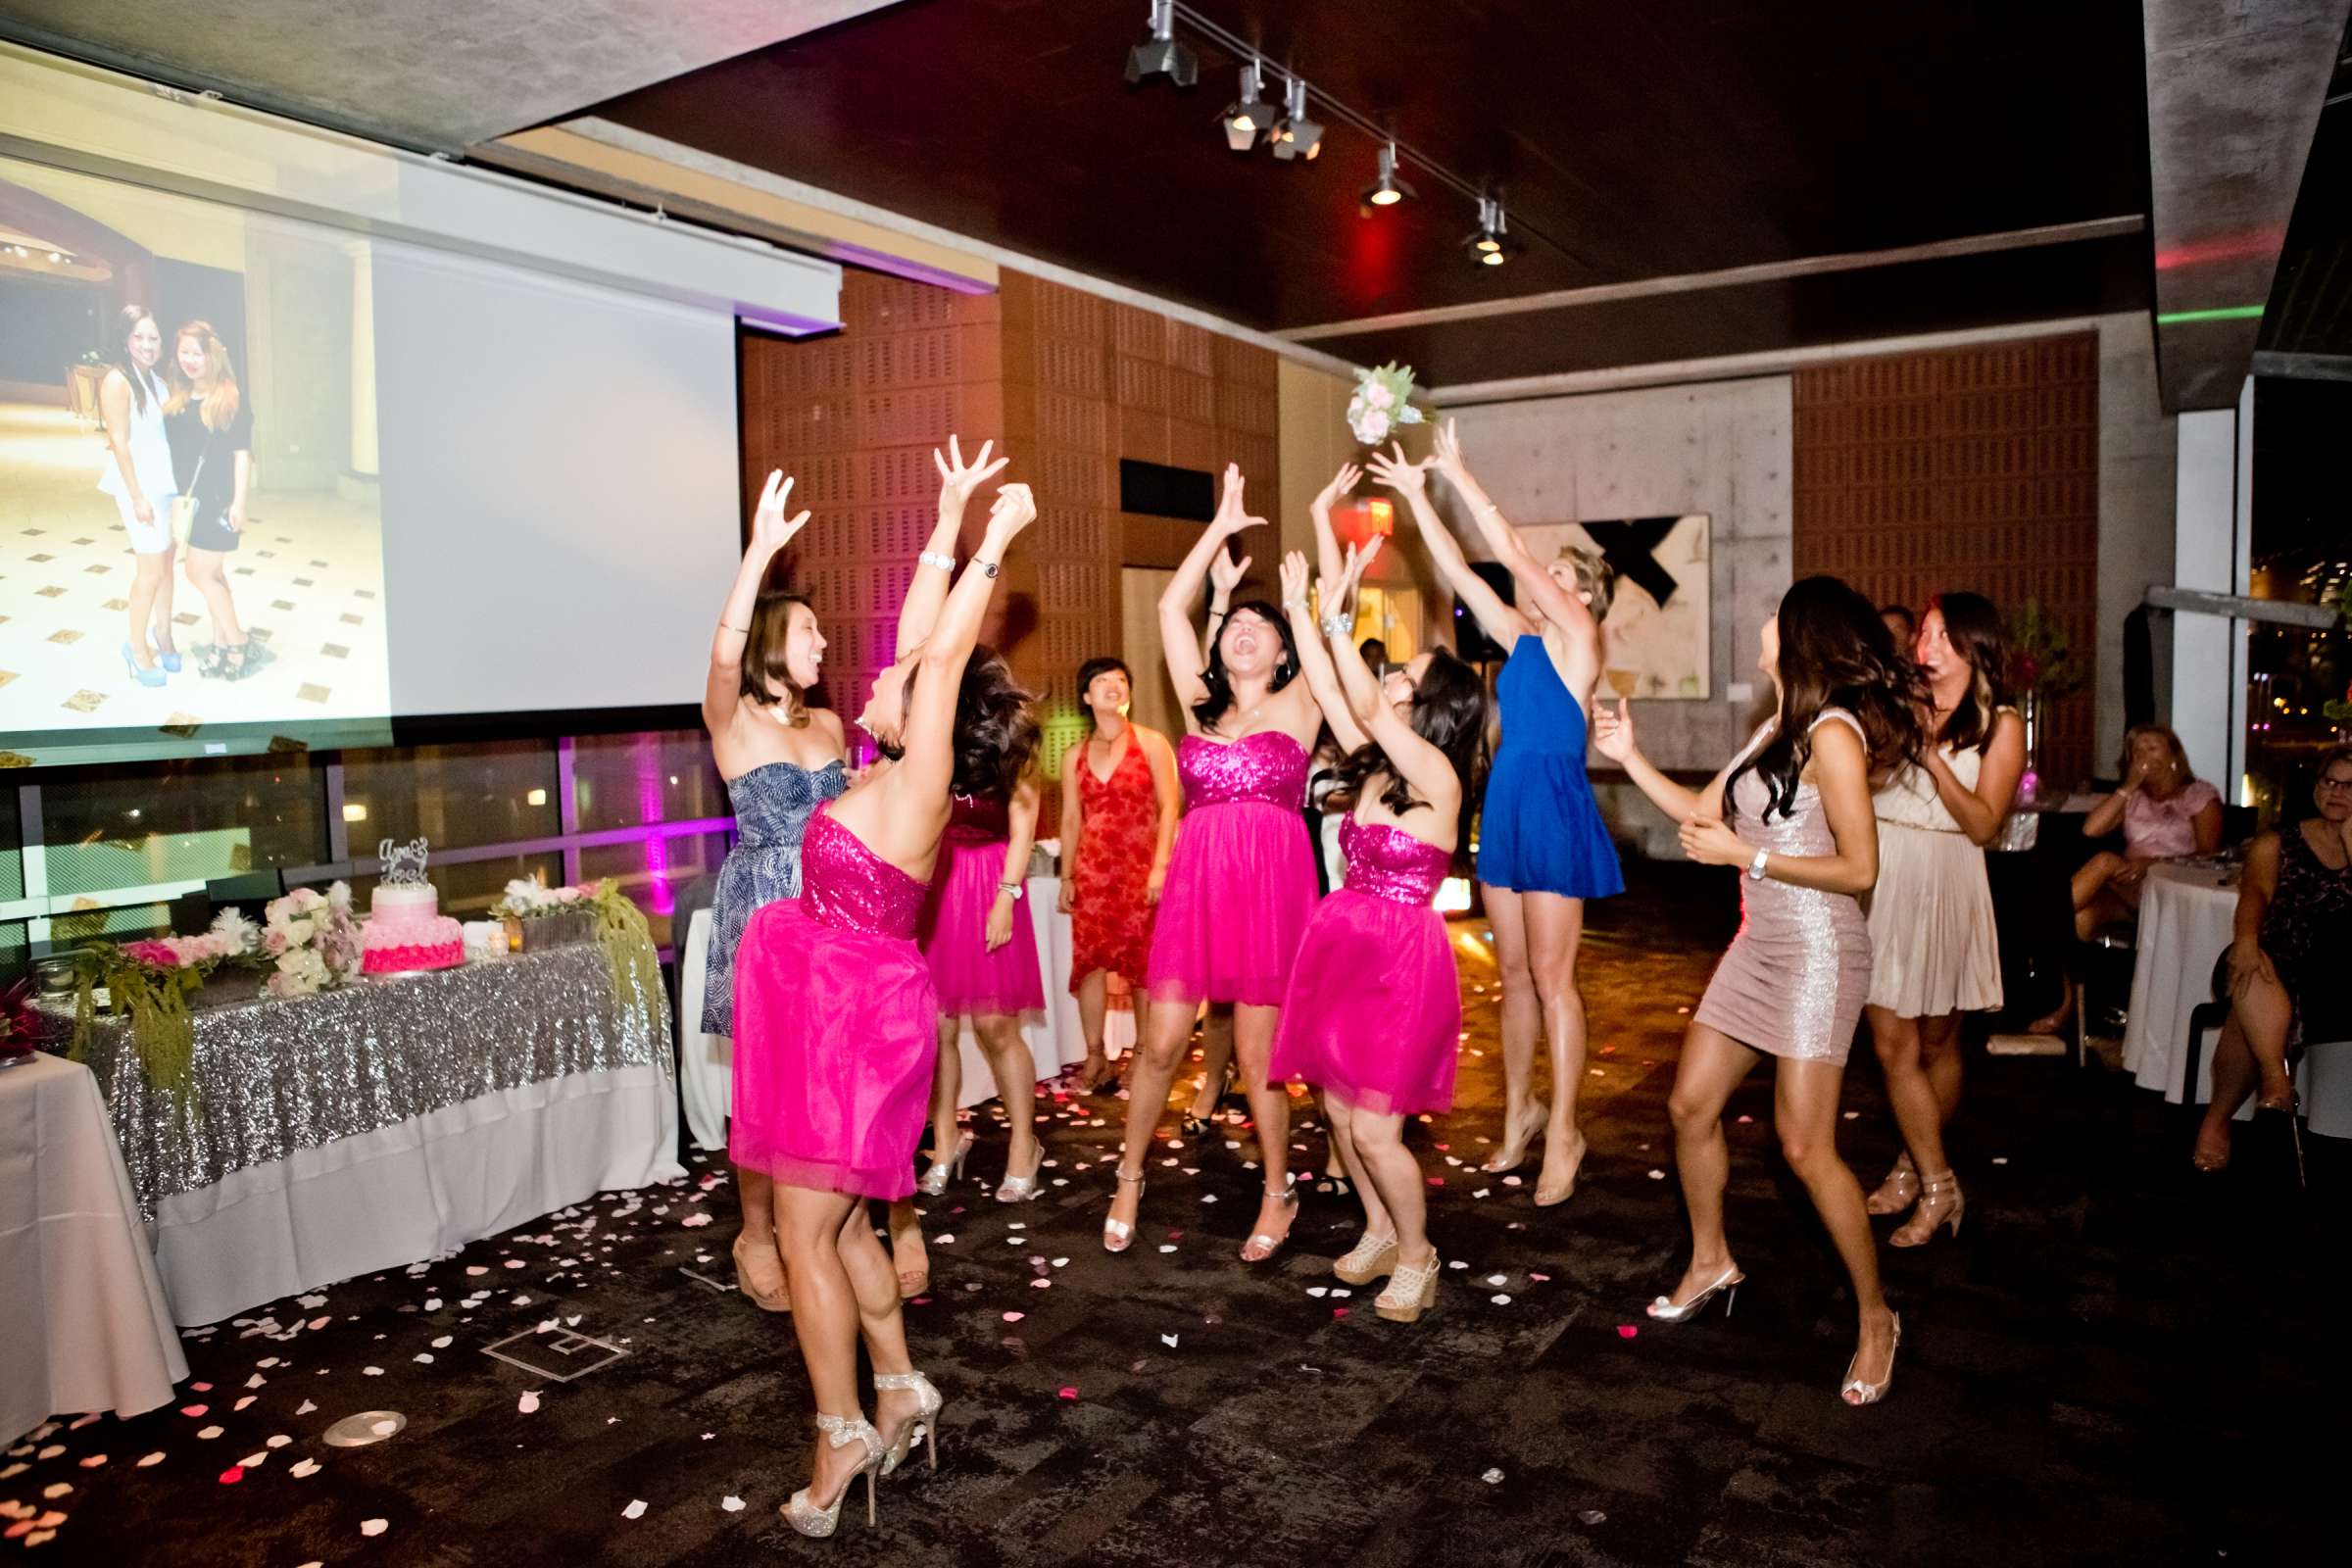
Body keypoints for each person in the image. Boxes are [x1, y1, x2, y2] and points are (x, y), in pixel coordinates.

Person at [730, 437, 1033, 1537]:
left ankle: (839, 1429)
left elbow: (939, 659)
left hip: (855, 1021)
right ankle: (900, 1387)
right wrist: (946, 520)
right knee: (847, 1225)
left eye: (899, 681)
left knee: (812, 1235)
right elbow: (921, 641)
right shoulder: (885, 764)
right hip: (835, 1010)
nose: (883, 673)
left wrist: (994, 542)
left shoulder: (918, 782)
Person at [1595, 574, 1922, 1406]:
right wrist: (1628, 754)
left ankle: (1877, 1317)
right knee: (1687, 1105)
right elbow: (1698, 819)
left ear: (1803, 636)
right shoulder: (1775, 729)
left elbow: (1861, 868)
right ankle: (1712, 1259)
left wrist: (1751, 860)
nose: (1763, 622)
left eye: (1777, 615)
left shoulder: (1835, 737)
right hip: (1759, 944)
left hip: (1819, 951)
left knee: (1806, 1148)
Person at [1369, 425, 1622, 1204]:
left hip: (1551, 803)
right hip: (1508, 801)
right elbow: (1459, 569)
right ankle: (1521, 1112)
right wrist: (1418, 497)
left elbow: (1508, 553)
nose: (1541, 580)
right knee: (1511, 975)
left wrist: (1460, 471)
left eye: (1560, 575)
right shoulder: (1521, 640)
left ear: (1581, 597)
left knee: (1554, 979)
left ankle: (1568, 1129)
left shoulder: (1581, 638)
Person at [1102, 463, 1320, 1263]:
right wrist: (1219, 527)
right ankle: (1126, 1175)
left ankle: (1277, 1192)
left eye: (1263, 627)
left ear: (1284, 649)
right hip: (1200, 887)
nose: (1243, 630)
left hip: (1268, 890)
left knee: (1260, 1060)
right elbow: (1168, 606)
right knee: (1160, 1045)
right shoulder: (1200, 701)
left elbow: (1323, 640)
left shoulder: (1303, 705)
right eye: (1235, 624)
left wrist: (1306, 599)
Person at [1269, 545, 1485, 1323]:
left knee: (1375, 1125)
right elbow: (1333, 689)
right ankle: (1381, 1229)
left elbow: (1357, 700)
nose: (1390, 677)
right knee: (1334, 1110)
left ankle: (1420, 1257)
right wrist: (1301, 608)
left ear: (1432, 705)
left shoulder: (1436, 774)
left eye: (1406, 675)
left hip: (1400, 960)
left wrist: (1335, 607)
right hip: (1343, 944)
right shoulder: (1377, 770)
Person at [704, 470, 849, 1315]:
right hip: (764, 911)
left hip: (833, 912)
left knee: (833, 1076)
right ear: (769, 639)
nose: (824, 643)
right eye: (808, 630)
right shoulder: (732, 719)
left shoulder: (828, 726)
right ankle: (756, 1233)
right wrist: (759, 549)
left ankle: (837, 1225)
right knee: (766, 1087)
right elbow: (723, 656)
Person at [1860, 594, 2024, 1248]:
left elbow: (1986, 823)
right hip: (1886, 871)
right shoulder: (1904, 705)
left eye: (1935, 634)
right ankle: (1938, 1185)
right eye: (1922, 634)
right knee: (1891, 1047)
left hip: (1946, 877)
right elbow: (1865, 783)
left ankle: (1910, 1166)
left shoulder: (2001, 724)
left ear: (1969, 645)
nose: (1921, 645)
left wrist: (1930, 757)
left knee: (1936, 1044)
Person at [908, 668, 1046, 1208]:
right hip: (938, 883)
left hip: (992, 878)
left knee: (995, 1026)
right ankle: (946, 1142)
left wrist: (1006, 897)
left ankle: (1023, 1143)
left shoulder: (1014, 740)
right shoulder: (933, 735)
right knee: (937, 1027)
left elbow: (1024, 823)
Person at [2191, 746, 2352, 1172]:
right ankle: (2276, 1082)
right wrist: (2244, 940)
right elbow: (2255, 895)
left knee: (2249, 1014)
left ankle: (2218, 1118)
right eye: (2329, 782)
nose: (2337, 792)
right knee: (2253, 972)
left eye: (2349, 785)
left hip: (2338, 975)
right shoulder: (2278, 840)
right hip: (2274, 950)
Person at [1057, 656, 1180, 1094]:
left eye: (1121, 679)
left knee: (1141, 965)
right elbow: (1071, 820)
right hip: (1093, 872)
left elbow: (1170, 808)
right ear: (1087, 696)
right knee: (1089, 965)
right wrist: (1067, 876)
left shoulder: (1151, 743)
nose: (1114, 686)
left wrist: (1161, 867)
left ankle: (1143, 1055)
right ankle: (1096, 1057)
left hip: (1141, 870)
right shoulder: (1074, 755)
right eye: (1103, 681)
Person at [163, 320, 260, 681]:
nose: (190, 360)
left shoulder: (228, 397)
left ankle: (237, 641)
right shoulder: (180, 397)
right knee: (213, 575)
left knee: (197, 572)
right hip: (191, 500)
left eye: (197, 353)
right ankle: (222, 644)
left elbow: (240, 454)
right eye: (184, 352)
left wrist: (239, 503)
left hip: (217, 501)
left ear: (212, 355)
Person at [2066, 724, 2222, 940]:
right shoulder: (2134, 797)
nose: (2143, 756)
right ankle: (2061, 968)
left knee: (2104, 861)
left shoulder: (2198, 794)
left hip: (2170, 886)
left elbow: (2209, 854)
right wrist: (2128, 786)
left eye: (2152, 748)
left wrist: (2152, 864)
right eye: (2137, 751)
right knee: (2081, 919)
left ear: (2173, 756)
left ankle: (2037, 921)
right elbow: (2091, 829)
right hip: (2127, 887)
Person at [96, 305, 179, 687]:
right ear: (126, 340)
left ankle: (163, 634)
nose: (148, 344)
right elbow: (119, 441)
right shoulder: (118, 380)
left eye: (154, 337)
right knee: (149, 572)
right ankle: (136, 646)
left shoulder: (158, 382)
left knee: (165, 566)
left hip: (165, 487)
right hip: (140, 490)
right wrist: (137, 497)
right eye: (139, 336)